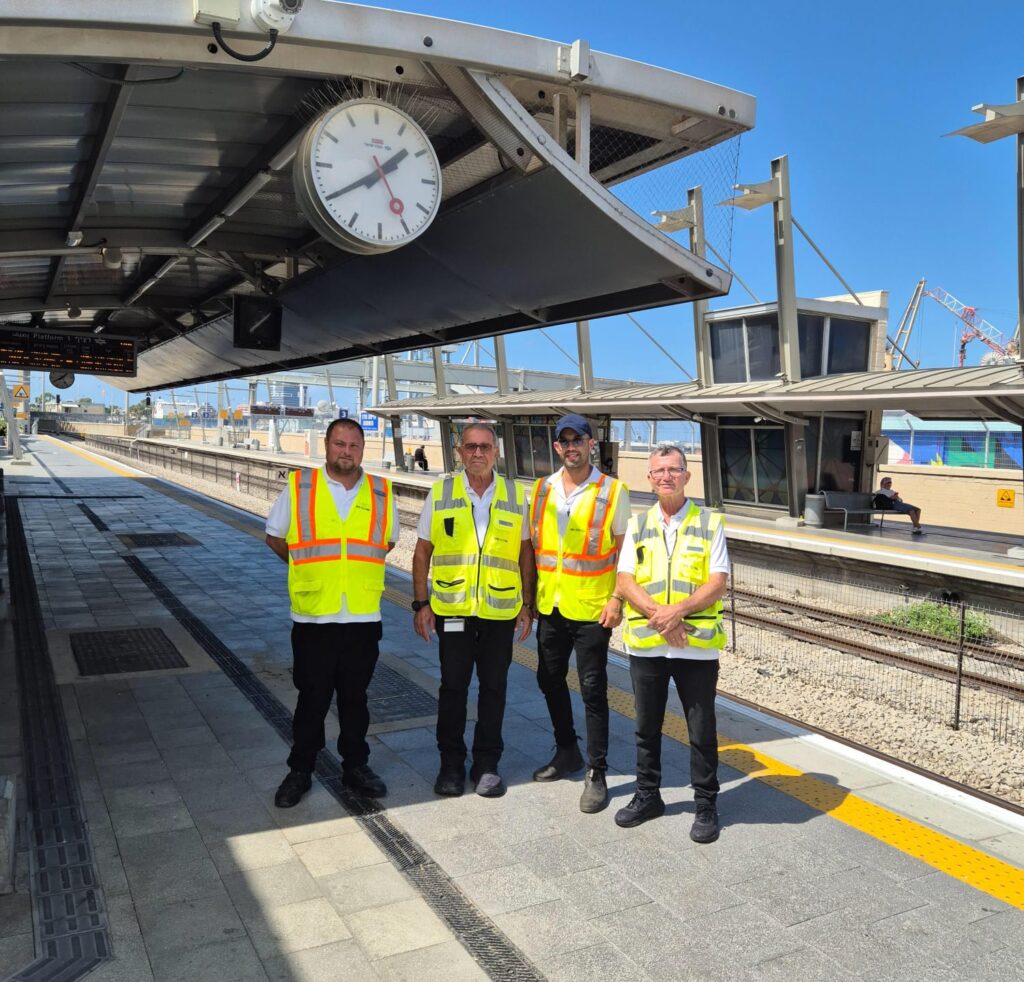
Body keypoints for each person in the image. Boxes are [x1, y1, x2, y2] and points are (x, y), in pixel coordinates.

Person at [265, 418, 397, 807]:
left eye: (355, 445)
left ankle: (355, 766)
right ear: (326, 445)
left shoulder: (382, 491)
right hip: (314, 616)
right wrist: (307, 569)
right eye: (340, 444)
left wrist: (349, 572)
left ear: (363, 450)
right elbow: (274, 536)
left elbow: (385, 543)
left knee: (355, 699)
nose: (347, 452)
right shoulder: (299, 487)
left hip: (361, 616)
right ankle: (300, 769)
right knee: (312, 698)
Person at [412, 423, 535, 798]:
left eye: (484, 447)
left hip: (499, 612)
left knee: (494, 689)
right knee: (453, 688)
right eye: (470, 447)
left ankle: (486, 764)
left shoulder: (515, 494)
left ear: (496, 452)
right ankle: (451, 765)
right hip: (453, 609)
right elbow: (422, 552)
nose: (478, 453)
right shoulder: (441, 492)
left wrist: (528, 605)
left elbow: (525, 553)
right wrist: (421, 604)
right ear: (459, 451)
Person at [614, 443, 728, 842]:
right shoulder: (638, 524)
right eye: (659, 471)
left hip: (695, 645)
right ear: (649, 478)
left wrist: (675, 611)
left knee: (701, 729)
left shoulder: (710, 523)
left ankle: (706, 804)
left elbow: (717, 582)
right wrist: (659, 617)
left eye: (674, 470)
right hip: (648, 644)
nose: (666, 476)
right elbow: (625, 579)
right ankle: (648, 795)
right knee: (646, 725)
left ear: (687, 475)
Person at [529, 414, 630, 814]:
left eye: (578, 439)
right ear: (557, 447)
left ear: (592, 443)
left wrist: (617, 599)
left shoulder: (612, 491)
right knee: (548, 677)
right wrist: (527, 602)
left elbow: (623, 552)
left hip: (592, 609)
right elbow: (531, 549)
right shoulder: (541, 490)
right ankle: (567, 749)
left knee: (592, 689)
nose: (571, 446)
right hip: (550, 606)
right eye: (564, 440)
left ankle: (596, 771)